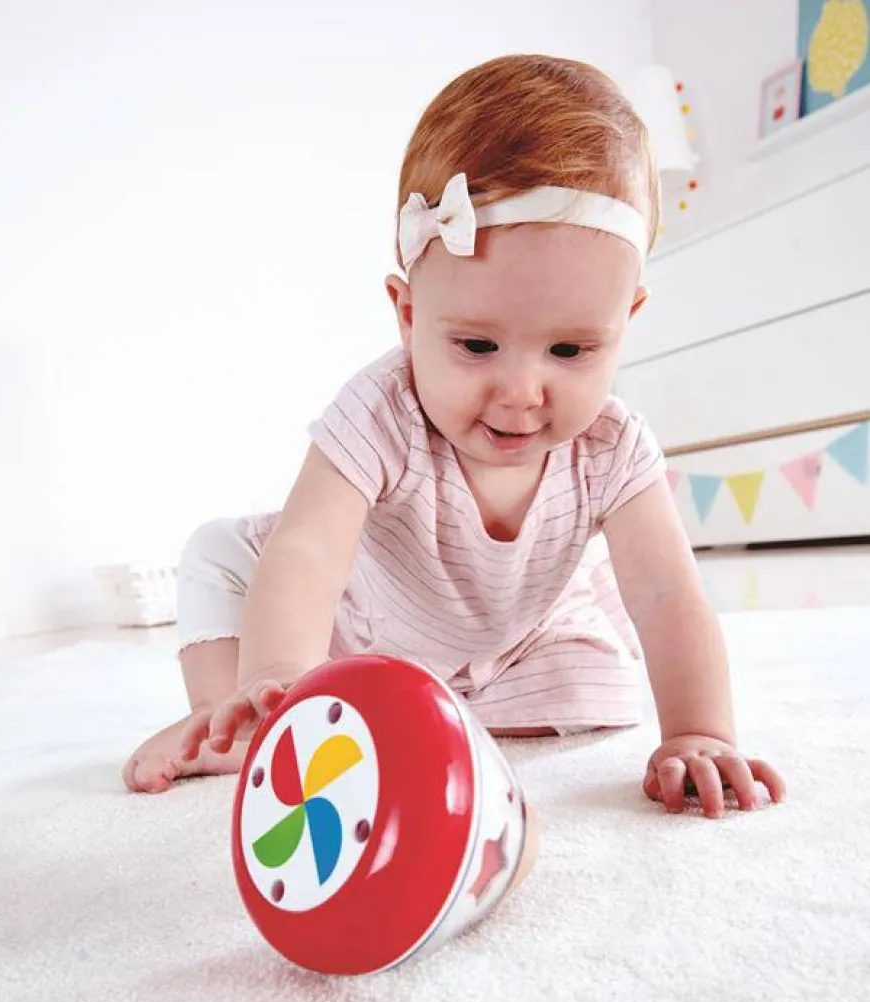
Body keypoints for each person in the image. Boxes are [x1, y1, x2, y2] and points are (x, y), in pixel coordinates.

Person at [123, 53, 786, 820]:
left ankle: (426, 710)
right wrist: (281, 678)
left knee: (606, 685)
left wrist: (700, 731)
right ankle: (246, 725)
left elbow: (669, 594)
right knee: (219, 555)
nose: (522, 393)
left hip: (513, 642)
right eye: (477, 345)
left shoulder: (612, 447)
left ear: (625, 320)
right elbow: (308, 553)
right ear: (408, 315)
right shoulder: (381, 411)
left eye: (570, 350)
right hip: (357, 629)